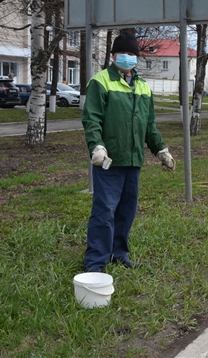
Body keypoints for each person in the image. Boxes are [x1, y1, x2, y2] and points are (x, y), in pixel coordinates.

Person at [81, 31, 176, 272]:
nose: (127, 58)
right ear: (113, 55)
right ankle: (95, 262)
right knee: (104, 211)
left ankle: (119, 253)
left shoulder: (143, 87)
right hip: (109, 161)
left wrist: (161, 150)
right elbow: (92, 119)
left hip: (134, 160)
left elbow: (149, 125)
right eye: (122, 53)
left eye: (132, 54)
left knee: (126, 211)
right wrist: (97, 146)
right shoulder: (100, 81)